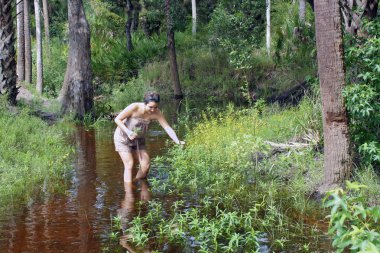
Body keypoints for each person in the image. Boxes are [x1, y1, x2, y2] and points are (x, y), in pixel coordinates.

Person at [114, 92, 184, 183]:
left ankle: (135, 183)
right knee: (129, 164)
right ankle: (129, 194)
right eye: (150, 107)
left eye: (155, 107)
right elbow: (117, 119)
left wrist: (177, 141)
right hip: (123, 138)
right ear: (145, 103)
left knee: (145, 165)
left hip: (139, 140)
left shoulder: (157, 113)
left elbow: (167, 127)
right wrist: (128, 132)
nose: (153, 110)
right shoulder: (134, 107)